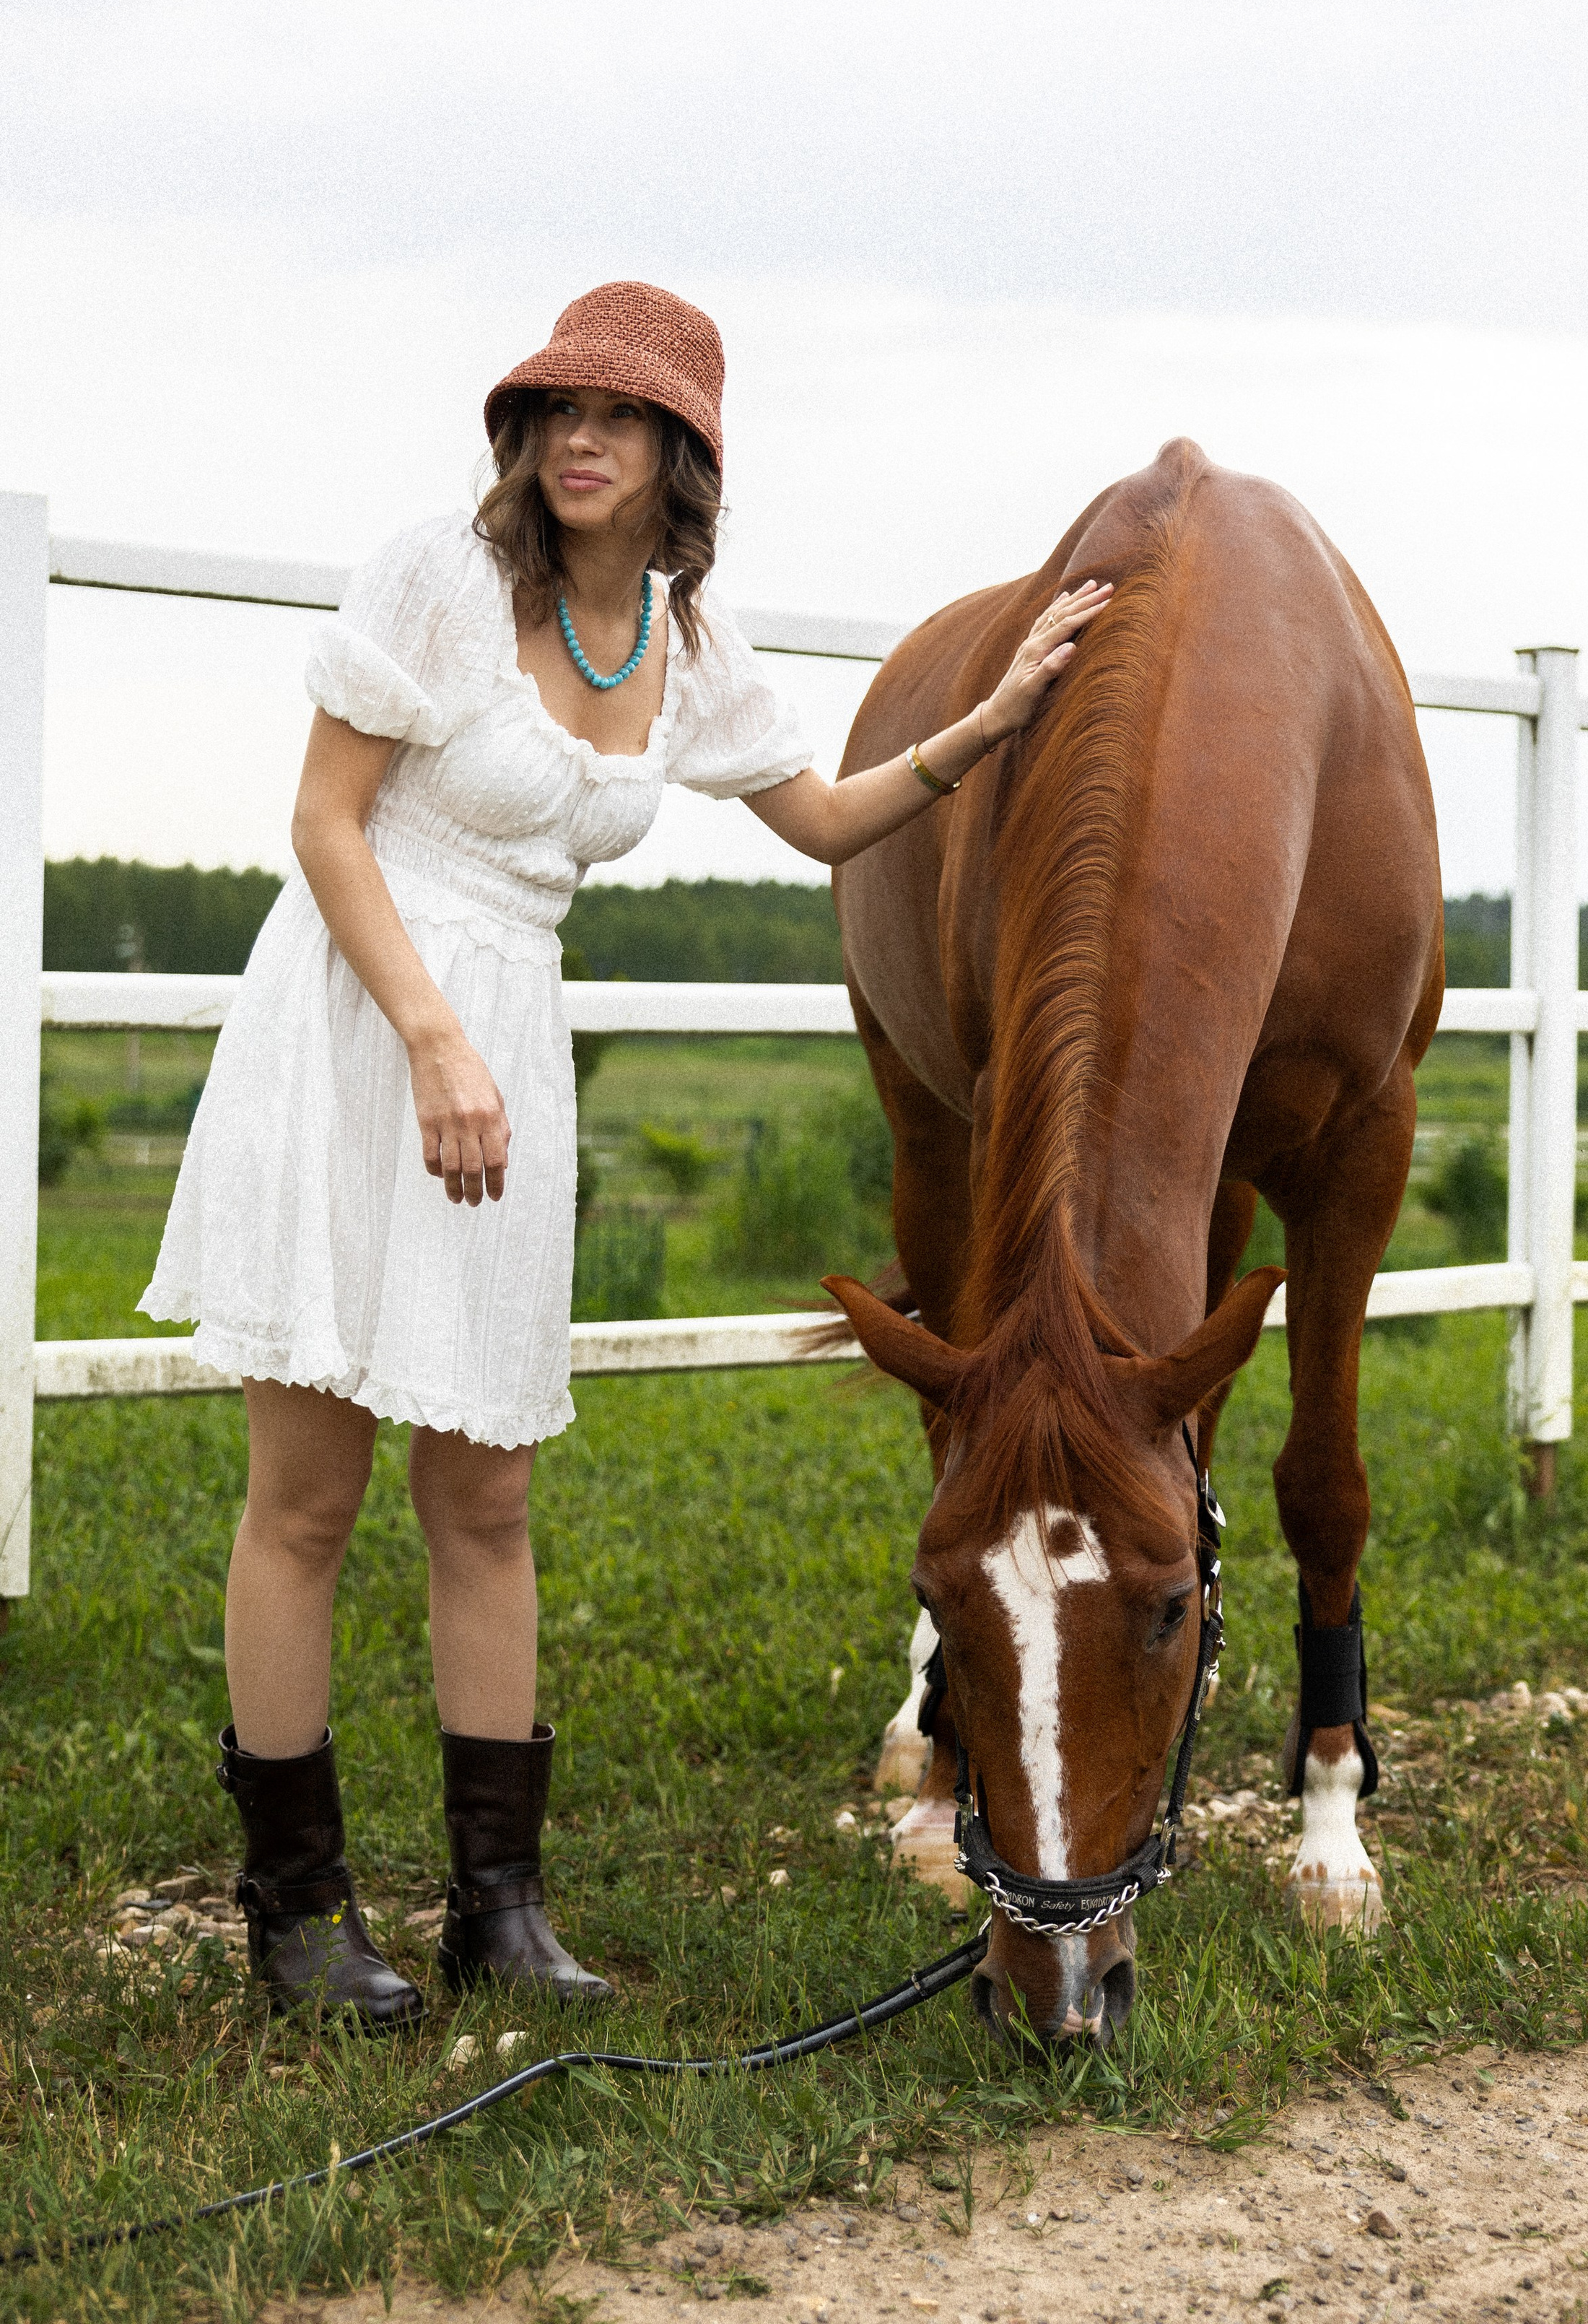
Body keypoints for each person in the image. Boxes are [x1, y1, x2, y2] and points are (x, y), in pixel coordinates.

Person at [142, 281, 1110, 2029]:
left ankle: (498, 1913)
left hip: (510, 1044)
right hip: (369, 1019)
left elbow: (815, 814)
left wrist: (983, 732)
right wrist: (433, 1035)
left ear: (683, 455)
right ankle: (295, 1916)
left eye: (621, 416)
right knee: (308, 1491)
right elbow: (321, 822)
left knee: (487, 1489)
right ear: (523, 436)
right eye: (555, 410)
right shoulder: (435, 578)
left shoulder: (684, 639)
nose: (579, 439)